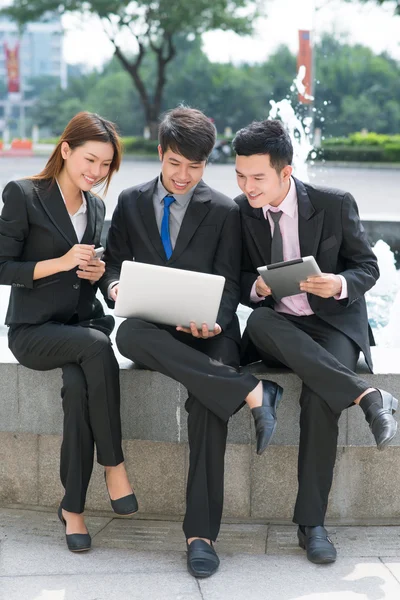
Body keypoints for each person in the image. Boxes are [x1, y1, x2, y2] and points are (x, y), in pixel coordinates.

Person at [100, 106, 282, 578]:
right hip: (154, 328)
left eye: (195, 167)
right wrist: (115, 287)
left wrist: (214, 324)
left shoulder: (223, 210)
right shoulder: (131, 202)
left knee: (206, 406)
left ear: (206, 164)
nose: (183, 176)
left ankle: (200, 536)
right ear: (161, 153)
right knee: (127, 333)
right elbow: (115, 263)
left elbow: (228, 282)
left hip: (209, 334)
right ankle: (246, 388)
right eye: (175, 163)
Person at [232, 119, 398, 565]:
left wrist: (339, 284)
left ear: (285, 172)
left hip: (333, 324)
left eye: (258, 178)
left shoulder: (334, 203)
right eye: (241, 176)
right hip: (278, 325)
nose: (248, 187)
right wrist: (258, 288)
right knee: (261, 324)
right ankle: (366, 396)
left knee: (321, 396)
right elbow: (234, 279)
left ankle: (312, 525)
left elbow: (368, 266)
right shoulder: (240, 211)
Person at [0, 112, 137, 553]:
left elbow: (92, 275)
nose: (96, 173)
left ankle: (72, 508)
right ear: (65, 150)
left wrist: (100, 274)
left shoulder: (96, 207)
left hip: (80, 329)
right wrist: (59, 263)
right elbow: (2, 267)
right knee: (98, 347)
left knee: (78, 393)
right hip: (34, 330)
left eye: (105, 166)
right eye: (90, 160)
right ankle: (114, 465)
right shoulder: (23, 195)